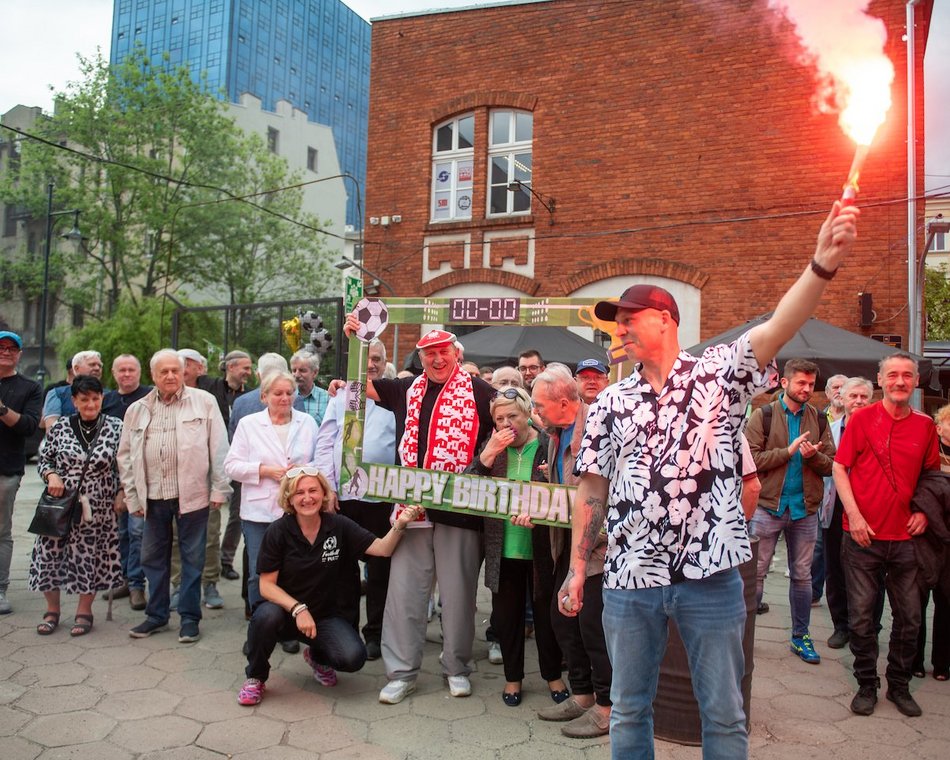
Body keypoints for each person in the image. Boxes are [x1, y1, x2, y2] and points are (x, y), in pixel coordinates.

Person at [565, 201, 860, 758]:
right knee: (629, 710)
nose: (621, 328)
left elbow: (777, 327)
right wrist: (579, 569)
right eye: (617, 321)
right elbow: (591, 490)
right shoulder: (609, 402)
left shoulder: (718, 374)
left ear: (665, 320)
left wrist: (820, 265)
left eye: (630, 318)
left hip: (713, 575)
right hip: (630, 577)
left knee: (723, 714)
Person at [336, 322, 495, 704]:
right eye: (429, 354)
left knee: (458, 597)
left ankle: (456, 668)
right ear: (421, 358)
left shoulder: (478, 390)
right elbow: (362, 385)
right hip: (411, 509)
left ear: (457, 353)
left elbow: (512, 417)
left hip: (460, 509)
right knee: (404, 594)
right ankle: (401, 672)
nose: (438, 359)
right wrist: (356, 342)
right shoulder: (407, 388)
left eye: (444, 351)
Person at [237, 467, 423, 706]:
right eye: (299, 493)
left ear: (324, 493)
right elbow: (266, 586)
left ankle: (317, 657)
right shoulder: (278, 531)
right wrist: (298, 609)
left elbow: (382, 549)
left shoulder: (339, 525)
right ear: (289, 499)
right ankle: (255, 677)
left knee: (353, 658)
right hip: (285, 613)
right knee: (265, 617)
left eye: (313, 490)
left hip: (324, 616)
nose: (307, 498)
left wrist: (401, 523)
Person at [833, 352, 939, 718]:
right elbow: (840, 466)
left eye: (906, 376)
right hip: (862, 537)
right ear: (880, 380)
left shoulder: (925, 426)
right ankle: (866, 683)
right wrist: (855, 515)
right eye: (892, 375)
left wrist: (924, 511)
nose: (899, 382)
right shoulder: (861, 419)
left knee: (910, 619)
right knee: (861, 619)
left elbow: (932, 478)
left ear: (915, 382)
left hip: (909, 542)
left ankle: (898, 685)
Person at [119, 349, 231, 643]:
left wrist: (220, 487)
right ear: (153, 375)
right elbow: (126, 457)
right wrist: (132, 497)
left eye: (175, 371)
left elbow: (219, 448)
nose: (170, 376)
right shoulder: (138, 409)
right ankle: (156, 616)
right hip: (152, 498)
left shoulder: (204, 402)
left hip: (193, 496)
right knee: (153, 559)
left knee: (193, 559)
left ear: (183, 373)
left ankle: (190, 618)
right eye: (163, 372)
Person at [465, 387, 568, 707]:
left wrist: (543, 512)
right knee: (506, 618)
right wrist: (486, 456)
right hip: (503, 547)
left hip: (540, 547)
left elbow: (565, 495)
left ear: (528, 415)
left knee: (546, 616)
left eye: (513, 415)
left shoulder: (547, 444)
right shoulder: (493, 449)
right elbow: (465, 488)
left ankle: (552, 674)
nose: (507, 423)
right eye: (499, 419)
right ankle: (513, 678)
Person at [530, 367, 613, 738]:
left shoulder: (596, 426)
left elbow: (602, 488)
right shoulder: (554, 433)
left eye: (539, 405)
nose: (536, 411)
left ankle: (608, 708)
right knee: (561, 617)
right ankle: (582, 695)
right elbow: (559, 490)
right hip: (567, 540)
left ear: (564, 402)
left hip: (600, 544)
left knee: (592, 623)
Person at [745, 358, 835, 664]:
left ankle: (801, 637)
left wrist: (812, 458)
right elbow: (750, 460)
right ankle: (745, 638)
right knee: (756, 574)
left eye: (811, 384)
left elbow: (832, 465)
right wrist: (788, 452)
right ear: (784, 383)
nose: (807, 389)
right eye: (801, 383)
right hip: (768, 508)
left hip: (805, 510)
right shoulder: (764, 415)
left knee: (802, 576)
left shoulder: (820, 420)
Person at [225, 369, 320, 652]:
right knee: (259, 573)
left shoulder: (307, 423)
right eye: (277, 393)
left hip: (297, 511)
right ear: (264, 396)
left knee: (293, 572)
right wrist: (264, 470)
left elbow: (319, 461)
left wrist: (302, 473)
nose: (284, 398)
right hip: (259, 514)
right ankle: (259, 630)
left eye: (289, 393)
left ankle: (288, 629)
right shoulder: (248, 424)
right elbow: (231, 465)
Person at [314, 338, 396, 661]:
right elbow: (325, 442)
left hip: (381, 497)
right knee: (343, 571)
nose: (371, 364)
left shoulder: (395, 395)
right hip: (344, 498)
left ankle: (375, 634)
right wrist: (327, 488)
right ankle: (346, 629)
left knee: (380, 569)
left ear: (384, 362)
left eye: (376, 358)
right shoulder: (341, 396)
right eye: (366, 359)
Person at [31, 376, 123, 636]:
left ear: (102, 398)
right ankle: (52, 611)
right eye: (84, 399)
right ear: (74, 401)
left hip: (98, 504)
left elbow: (126, 464)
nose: (90, 404)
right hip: (60, 501)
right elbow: (44, 458)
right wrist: (51, 475)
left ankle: (84, 611)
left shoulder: (116, 427)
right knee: (48, 555)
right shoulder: (60, 427)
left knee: (89, 557)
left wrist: (123, 493)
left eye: (95, 398)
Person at [820, 376, 874, 650]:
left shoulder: (877, 428)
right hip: (835, 505)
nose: (858, 401)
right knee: (835, 569)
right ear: (842, 398)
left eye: (864, 396)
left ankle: (869, 627)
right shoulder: (830, 429)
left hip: (869, 508)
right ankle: (842, 625)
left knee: (870, 571)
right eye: (853, 396)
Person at [101, 354, 152, 611]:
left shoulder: (149, 398)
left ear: (140, 372)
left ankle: (136, 585)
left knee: (137, 531)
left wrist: (126, 486)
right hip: (111, 476)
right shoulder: (107, 401)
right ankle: (123, 578)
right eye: (122, 370)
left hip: (140, 478)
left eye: (132, 369)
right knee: (120, 532)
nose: (127, 374)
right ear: (114, 373)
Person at [0, 330, 42, 615]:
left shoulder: (30, 387)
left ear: (19, 354)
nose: (5, 352)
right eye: (1, 347)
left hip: (6, 470)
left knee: (1, 532)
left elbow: (28, 426)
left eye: (11, 349)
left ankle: (0, 590)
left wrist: (2, 409)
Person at [201, 349, 253, 581]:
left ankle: (226, 560)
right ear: (230, 367)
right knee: (212, 514)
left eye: (250, 368)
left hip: (241, 463)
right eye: (245, 368)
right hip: (214, 463)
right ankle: (208, 563)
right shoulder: (210, 388)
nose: (248, 373)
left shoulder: (250, 397)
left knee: (237, 515)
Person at [912, 402, 950, 682]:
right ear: (938, 427)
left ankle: (941, 663)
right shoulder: (928, 453)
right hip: (925, 536)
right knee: (917, 598)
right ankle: (914, 659)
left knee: (947, 601)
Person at [42, 350, 103, 428]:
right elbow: (51, 430)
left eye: (100, 365)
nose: (97, 368)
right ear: (76, 368)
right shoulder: (57, 394)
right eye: (92, 365)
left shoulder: (109, 395)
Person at [290, 349, 330, 425]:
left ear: (315, 372)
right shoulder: (286, 397)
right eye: (294, 370)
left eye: (302, 370)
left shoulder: (327, 399)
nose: (297, 375)